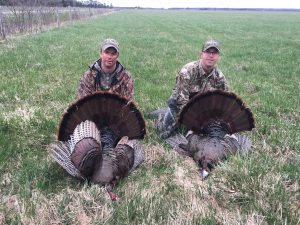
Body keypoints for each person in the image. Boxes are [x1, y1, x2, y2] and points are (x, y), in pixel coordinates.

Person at [154, 39, 228, 139]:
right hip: (180, 106)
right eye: (208, 52)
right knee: (164, 134)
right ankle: (162, 116)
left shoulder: (219, 77)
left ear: (218, 57)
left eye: (214, 53)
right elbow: (181, 101)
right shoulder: (187, 71)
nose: (211, 56)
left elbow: (225, 103)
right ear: (201, 54)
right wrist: (194, 122)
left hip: (203, 109)